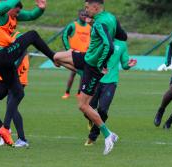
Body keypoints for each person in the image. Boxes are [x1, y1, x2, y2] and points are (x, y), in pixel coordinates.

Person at [54, 0, 127, 155]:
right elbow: (123, 35)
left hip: (93, 67)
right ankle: (80, 72)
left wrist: (101, 64)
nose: (85, 10)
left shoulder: (101, 23)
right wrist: (99, 27)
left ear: (96, 7)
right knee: (56, 57)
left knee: (83, 106)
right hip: (87, 58)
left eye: (87, 7)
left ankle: (108, 135)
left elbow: (110, 45)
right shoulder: (110, 18)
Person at [0, 0, 55, 146]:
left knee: (17, 93)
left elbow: (30, 15)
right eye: (16, 11)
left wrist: (40, 9)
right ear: (10, 8)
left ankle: (4, 129)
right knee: (33, 35)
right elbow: (6, 5)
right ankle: (54, 57)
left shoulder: (13, 16)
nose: (18, 15)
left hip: (2, 61)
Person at [85, 40, 137, 146]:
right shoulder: (99, 39)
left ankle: (92, 137)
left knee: (103, 110)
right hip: (95, 78)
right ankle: (92, 119)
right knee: (87, 108)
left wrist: (129, 64)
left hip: (111, 81)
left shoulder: (121, 44)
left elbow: (124, 64)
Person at [0, 32, 29, 147]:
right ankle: (3, 130)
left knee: (11, 106)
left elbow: (20, 55)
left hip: (17, 78)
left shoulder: (17, 36)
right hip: (2, 79)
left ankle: (22, 139)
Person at [61, 9, 91, 99]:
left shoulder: (89, 27)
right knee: (73, 73)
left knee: (83, 74)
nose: (84, 16)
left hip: (85, 54)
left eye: (86, 15)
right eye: (82, 15)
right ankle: (67, 92)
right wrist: (68, 49)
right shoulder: (73, 25)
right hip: (74, 54)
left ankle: (79, 92)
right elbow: (64, 35)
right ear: (78, 15)